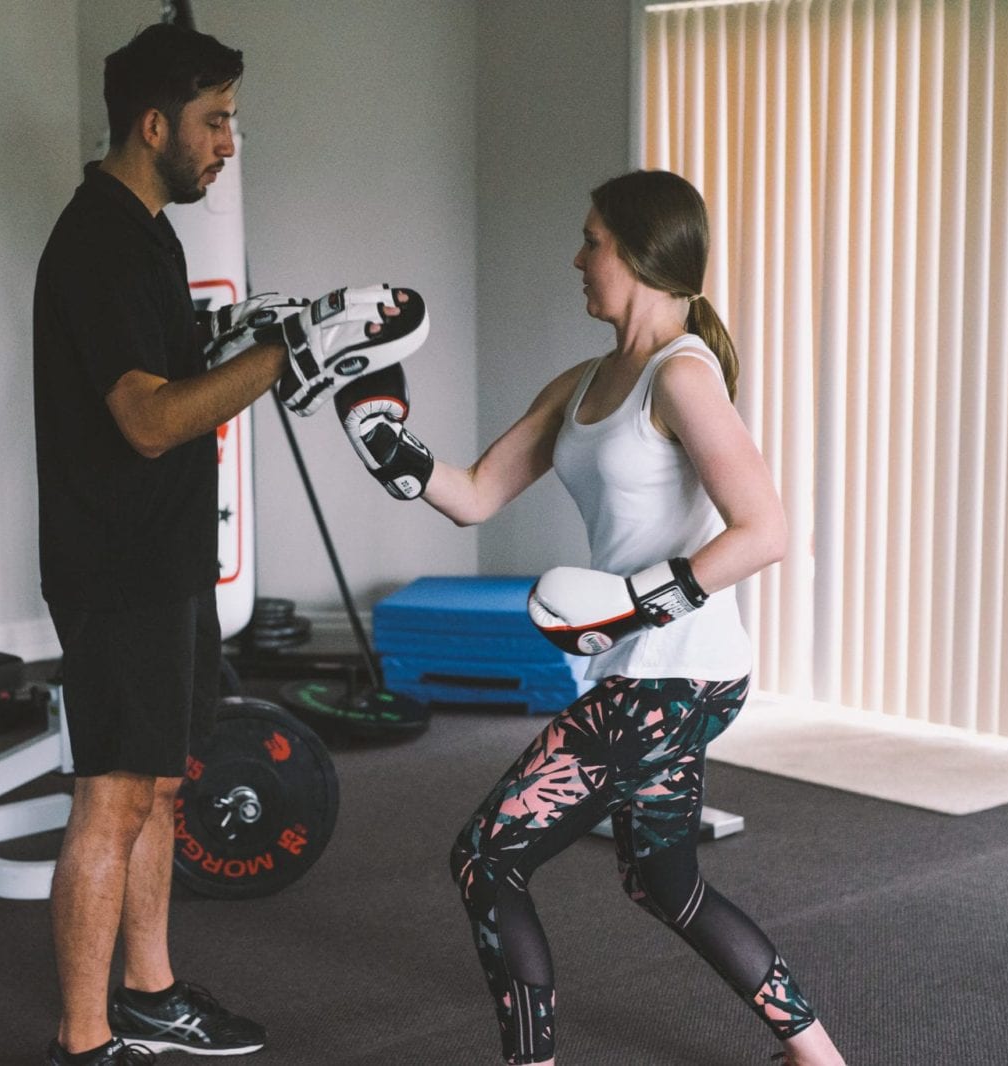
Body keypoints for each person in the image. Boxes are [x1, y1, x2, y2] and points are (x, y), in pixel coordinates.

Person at [335, 170, 847, 1065]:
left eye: (594, 241)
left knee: (486, 861)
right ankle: (817, 1055)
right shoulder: (584, 382)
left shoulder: (681, 376)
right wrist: (387, 442)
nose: (577, 259)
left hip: (674, 674)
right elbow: (474, 496)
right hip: (644, 671)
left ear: (645, 255)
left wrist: (634, 600)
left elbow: (765, 530)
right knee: (663, 881)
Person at [33, 23, 422, 1066]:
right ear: (152, 123)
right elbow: (149, 419)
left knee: (159, 784)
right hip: (116, 563)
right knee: (112, 795)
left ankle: (150, 994)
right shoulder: (102, 239)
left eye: (232, 120)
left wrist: (255, 336)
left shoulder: (149, 230)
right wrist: (288, 350)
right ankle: (83, 1039)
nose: (228, 142)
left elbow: (174, 374)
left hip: (162, 555)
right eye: (215, 121)